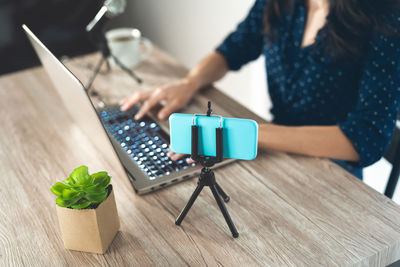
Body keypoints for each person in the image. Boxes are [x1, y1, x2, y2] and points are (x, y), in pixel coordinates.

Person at [120, 0, 400, 179]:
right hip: (272, 151)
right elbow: (233, 49)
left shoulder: (387, 17)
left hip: (333, 174)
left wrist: (245, 134)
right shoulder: (278, 3)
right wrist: (189, 82)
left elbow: (367, 139)